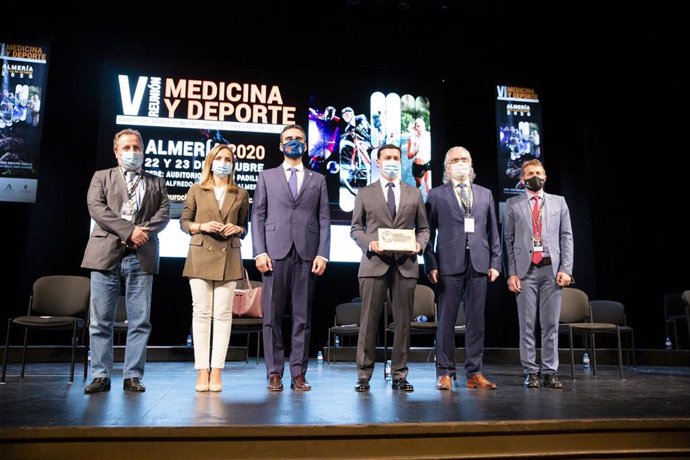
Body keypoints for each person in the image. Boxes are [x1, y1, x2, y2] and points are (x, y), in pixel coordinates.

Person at [81, 128, 170, 393]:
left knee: (140, 320)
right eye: (127, 148)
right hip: (105, 254)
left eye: (137, 147)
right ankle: (100, 375)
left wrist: (143, 232)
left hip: (141, 256)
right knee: (100, 321)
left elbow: (164, 212)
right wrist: (128, 231)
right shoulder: (102, 177)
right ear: (116, 152)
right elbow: (97, 209)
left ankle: (133, 375)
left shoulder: (156, 181)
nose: (133, 152)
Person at [251, 123, 331, 392]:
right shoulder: (266, 176)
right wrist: (259, 251)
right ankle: (274, 373)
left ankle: (298, 372)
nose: (294, 142)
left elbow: (324, 219)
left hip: (307, 254)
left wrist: (323, 253)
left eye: (298, 139)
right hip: (274, 252)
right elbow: (258, 216)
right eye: (289, 139)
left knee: (303, 317)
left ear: (306, 145)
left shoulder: (317, 179)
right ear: (280, 145)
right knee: (272, 316)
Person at [350, 143, 430, 393]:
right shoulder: (365, 192)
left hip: (405, 264)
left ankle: (399, 375)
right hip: (374, 264)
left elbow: (424, 229)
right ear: (378, 162)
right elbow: (355, 229)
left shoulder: (414, 193)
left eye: (396, 157)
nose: (393, 160)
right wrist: (369, 243)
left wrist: (419, 244)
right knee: (368, 322)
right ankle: (363, 375)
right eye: (388, 157)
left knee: (403, 323)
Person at [423, 147, 501, 391]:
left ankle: (474, 372)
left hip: (479, 263)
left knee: (476, 321)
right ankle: (444, 372)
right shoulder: (435, 195)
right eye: (454, 160)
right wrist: (431, 263)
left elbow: (493, 232)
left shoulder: (485, 194)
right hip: (448, 264)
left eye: (464, 159)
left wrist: (495, 262)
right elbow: (428, 234)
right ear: (447, 167)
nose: (460, 164)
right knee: (446, 320)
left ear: (471, 164)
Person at [180, 144, 250, 392]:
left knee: (222, 315)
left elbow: (245, 226)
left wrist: (238, 229)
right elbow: (184, 222)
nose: (224, 162)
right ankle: (202, 371)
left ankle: (217, 370)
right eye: (219, 158)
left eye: (228, 159)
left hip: (228, 257)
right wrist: (202, 226)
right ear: (211, 161)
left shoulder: (240, 193)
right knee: (201, 314)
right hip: (200, 255)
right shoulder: (197, 189)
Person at [503, 159, 573, 389]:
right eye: (530, 173)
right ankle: (531, 371)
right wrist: (511, 272)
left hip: (551, 270)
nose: (535, 176)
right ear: (523, 179)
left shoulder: (559, 202)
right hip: (526, 271)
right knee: (527, 324)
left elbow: (566, 237)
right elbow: (509, 241)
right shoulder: (513, 204)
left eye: (539, 172)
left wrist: (566, 269)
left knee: (551, 323)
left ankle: (550, 371)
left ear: (545, 176)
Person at [406, 117, 432, 197]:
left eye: (422, 126)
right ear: (415, 127)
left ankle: (429, 207)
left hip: (428, 163)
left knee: (429, 187)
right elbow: (409, 156)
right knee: (419, 183)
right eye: (418, 126)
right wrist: (415, 152)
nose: (420, 128)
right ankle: (418, 187)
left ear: (424, 126)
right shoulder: (412, 138)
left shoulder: (429, 136)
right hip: (418, 166)